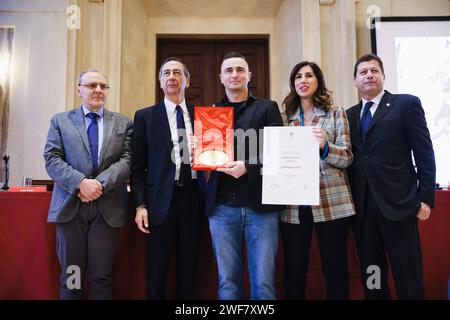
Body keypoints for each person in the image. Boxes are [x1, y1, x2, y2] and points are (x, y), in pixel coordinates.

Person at [346, 53, 436, 299]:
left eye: (374, 71)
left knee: (408, 277)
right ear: (355, 80)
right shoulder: (349, 115)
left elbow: (424, 152)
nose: (369, 76)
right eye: (363, 72)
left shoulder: (406, 105)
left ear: (384, 76)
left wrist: (426, 198)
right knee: (373, 278)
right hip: (363, 213)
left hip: (400, 207)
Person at [43, 68, 133, 299]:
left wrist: (98, 185)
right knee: (72, 276)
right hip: (70, 208)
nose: (99, 90)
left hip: (107, 209)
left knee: (101, 276)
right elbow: (52, 158)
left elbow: (128, 160)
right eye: (92, 85)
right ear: (79, 89)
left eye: (103, 86)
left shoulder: (123, 123)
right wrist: (80, 183)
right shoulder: (60, 121)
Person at [204, 52, 284, 300]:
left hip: (261, 206)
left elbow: (279, 152)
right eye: (229, 70)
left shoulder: (267, 108)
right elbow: (205, 161)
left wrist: (248, 166)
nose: (234, 74)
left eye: (240, 69)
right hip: (221, 207)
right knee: (227, 283)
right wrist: (199, 148)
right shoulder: (210, 113)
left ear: (249, 75)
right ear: (221, 78)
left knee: (264, 283)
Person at [280, 61, 355, 300]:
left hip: (331, 201)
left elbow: (347, 158)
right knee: (294, 271)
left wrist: (325, 146)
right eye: (298, 77)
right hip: (294, 204)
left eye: (309, 76)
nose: (303, 80)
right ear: (293, 84)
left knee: (335, 270)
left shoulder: (336, 113)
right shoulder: (283, 119)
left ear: (318, 81)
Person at [131, 57, 201, 299]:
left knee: (189, 270)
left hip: (194, 199)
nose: (172, 76)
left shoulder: (203, 116)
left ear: (187, 81)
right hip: (159, 201)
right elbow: (137, 167)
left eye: (178, 73)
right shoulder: (145, 117)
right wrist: (140, 204)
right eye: (166, 73)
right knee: (157, 271)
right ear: (161, 82)